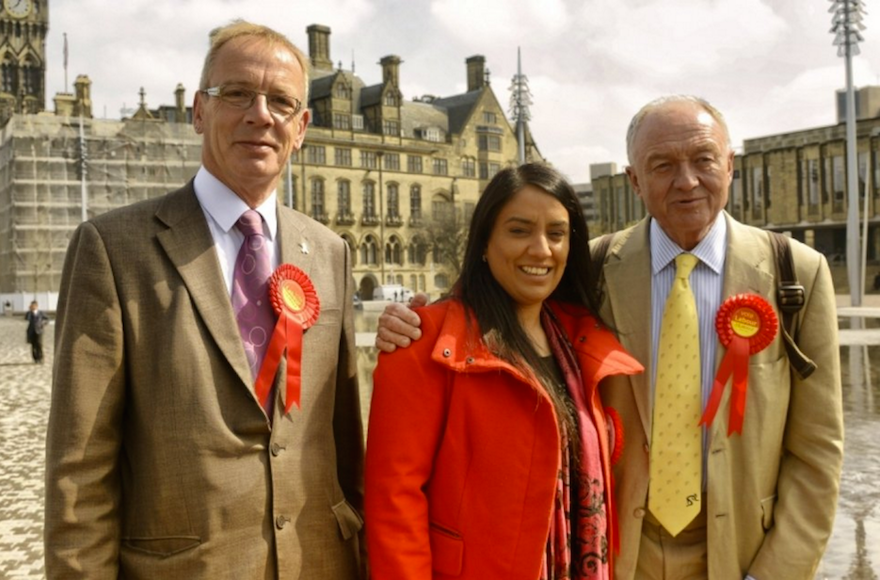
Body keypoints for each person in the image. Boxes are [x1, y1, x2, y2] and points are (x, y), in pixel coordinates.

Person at [375, 96, 844, 580]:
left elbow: (817, 451)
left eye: (703, 159)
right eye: (662, 165)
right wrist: (422, 315)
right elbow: (508, 293)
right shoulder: (593, 267)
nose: (686, 181)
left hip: (745, 554)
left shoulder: (797, 274)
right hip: (617, 557)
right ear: (634, 180)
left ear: (730, 165)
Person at [44, 21, 365, 579]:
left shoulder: (330, 251)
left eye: (281, 102)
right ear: (198, 111)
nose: (260, 114)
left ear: (302, 126)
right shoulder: (113, 248)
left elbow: (342, 440)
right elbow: (80, 473)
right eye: (236, 93)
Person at [365, 163, 643, 579]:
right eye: (519, 230)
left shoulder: (583, 340)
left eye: (556, 234)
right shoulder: (423, 341)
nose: (541, 249)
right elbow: (394, 501)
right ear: (484, 242)